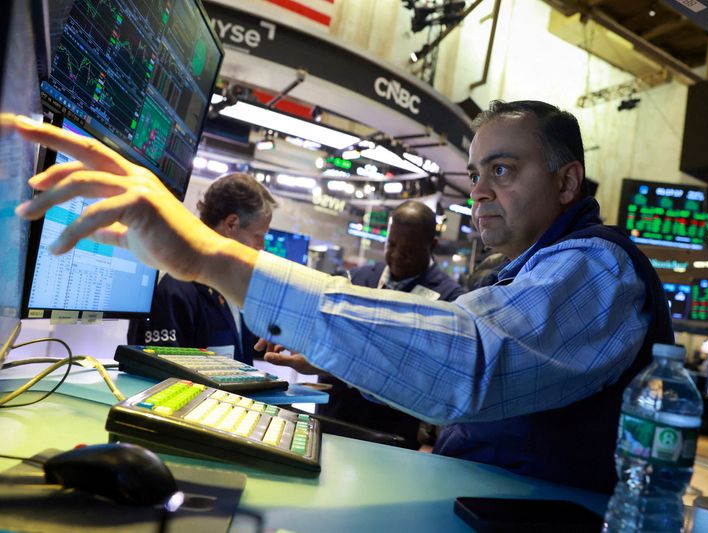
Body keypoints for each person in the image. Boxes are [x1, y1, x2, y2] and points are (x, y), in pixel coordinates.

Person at [12, 100, 672, 493]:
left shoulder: (597, 271)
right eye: (476, 173)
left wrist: (209, 256)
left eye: (503, 170)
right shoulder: (538, 269)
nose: (478, 191)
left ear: (567, 183)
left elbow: (467, 364)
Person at [266, 200, 466, 448]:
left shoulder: (449, 302)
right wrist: (293, 330)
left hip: (392, 436)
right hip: (332, 422)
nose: (397, 256)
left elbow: (419, 374)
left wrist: (329, 363)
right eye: (391, 245)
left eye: (409, 249)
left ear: (431, 245)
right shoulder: (356, 281)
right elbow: (322, 326)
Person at [128, 172, 277, 365]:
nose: (261, 246)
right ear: (231, 224)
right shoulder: (174, 289)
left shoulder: (231, 287)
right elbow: (159, 374)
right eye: (258, 235)